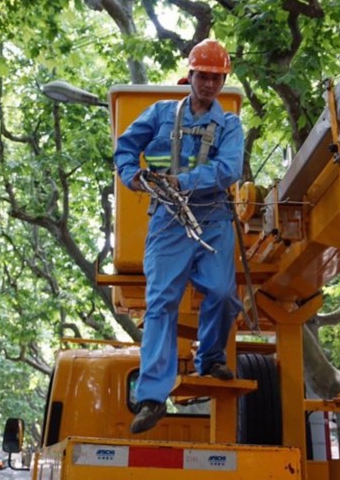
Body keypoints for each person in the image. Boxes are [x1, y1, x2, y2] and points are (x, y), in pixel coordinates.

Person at [114, 38, 244, 434]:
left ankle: (210, 357)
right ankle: (153, 396)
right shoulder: (158, 114)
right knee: (161, 302)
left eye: (216, 77)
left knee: (221, 292)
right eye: (202, 76)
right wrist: (131, 174)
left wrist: (184, 180)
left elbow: (228, 169)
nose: (208, 83)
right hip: (168, 220)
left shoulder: (230, 125)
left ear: (222, 80)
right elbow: (124, 149)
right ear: (190, 75)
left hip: (214, 218)